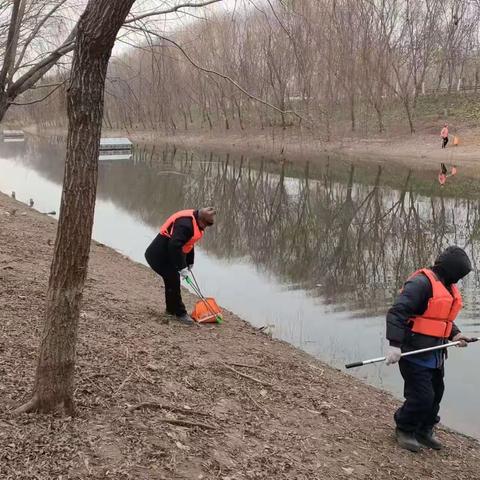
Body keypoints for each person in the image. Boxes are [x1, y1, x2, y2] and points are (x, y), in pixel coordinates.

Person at [385, 246, 472, 452]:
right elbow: (397, 313)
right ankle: (404, 428)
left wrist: (456, 334)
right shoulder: (421, 283)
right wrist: (394, 345)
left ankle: (424, 430)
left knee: (436, 395)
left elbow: (442, 319)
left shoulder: (448, 287)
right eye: (459, 274)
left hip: (436, 354)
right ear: (451, 269)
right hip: (413, 353)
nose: (459, 280)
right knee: (422, 397)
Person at [145, 207, 216, 325]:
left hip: (168, 255)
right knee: (173, 279)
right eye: (205, 224)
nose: (205, 228)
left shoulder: (195, 223)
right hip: (158, 255)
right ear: (200, 219)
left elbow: (189, 242)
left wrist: (189, 261)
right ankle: (180, 313)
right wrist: (182, 267)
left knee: (171, 280)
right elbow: (174, 245)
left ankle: (171, 310)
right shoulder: (185, 224)